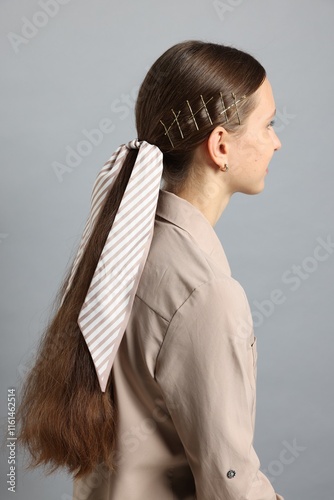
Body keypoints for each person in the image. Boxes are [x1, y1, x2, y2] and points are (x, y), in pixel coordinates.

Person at [17, 40, 284, 499]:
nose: (277, 141)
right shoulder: (208, 293)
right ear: (220, 145)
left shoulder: (124, 240)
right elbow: (230, 483)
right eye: (269, 125)